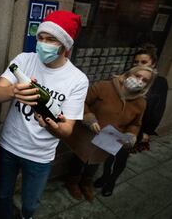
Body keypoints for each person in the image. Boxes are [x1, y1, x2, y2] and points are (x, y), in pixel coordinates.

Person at [0, 11, 89, 219]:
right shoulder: (24, 60)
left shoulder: (78, 80)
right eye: (41, 38)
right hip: (8, 146)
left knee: (30, 203)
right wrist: (13, 91)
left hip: (40, 156)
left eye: (51, 39)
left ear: (65, 45)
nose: (43, 44)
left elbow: (67, 130)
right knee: (2, 194)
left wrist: (50, 125)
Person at [64, 65, 157, 202]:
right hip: (87, 134)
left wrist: (131, 134)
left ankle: (85, 184)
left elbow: (135, 124)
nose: (139, 81)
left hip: (109, 139)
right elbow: (81, 102)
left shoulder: (141, 102)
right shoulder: (104, 86)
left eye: (144, 80)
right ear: (128, 74)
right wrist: (89, 117)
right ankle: (72, 183)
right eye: (138, 76)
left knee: (96, 162)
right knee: (79, 159)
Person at [94, 43, 168, 196]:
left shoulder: (159, 83)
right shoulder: (127, 77)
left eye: (144, 62)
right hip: (117, 126)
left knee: (121, 157)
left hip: (136, 129)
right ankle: (105, 175)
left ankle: (111, 181)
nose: (139, 65)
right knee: (109, 154)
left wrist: (146, 132)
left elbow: (158, 109)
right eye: (136, 62)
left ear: (153, 63)